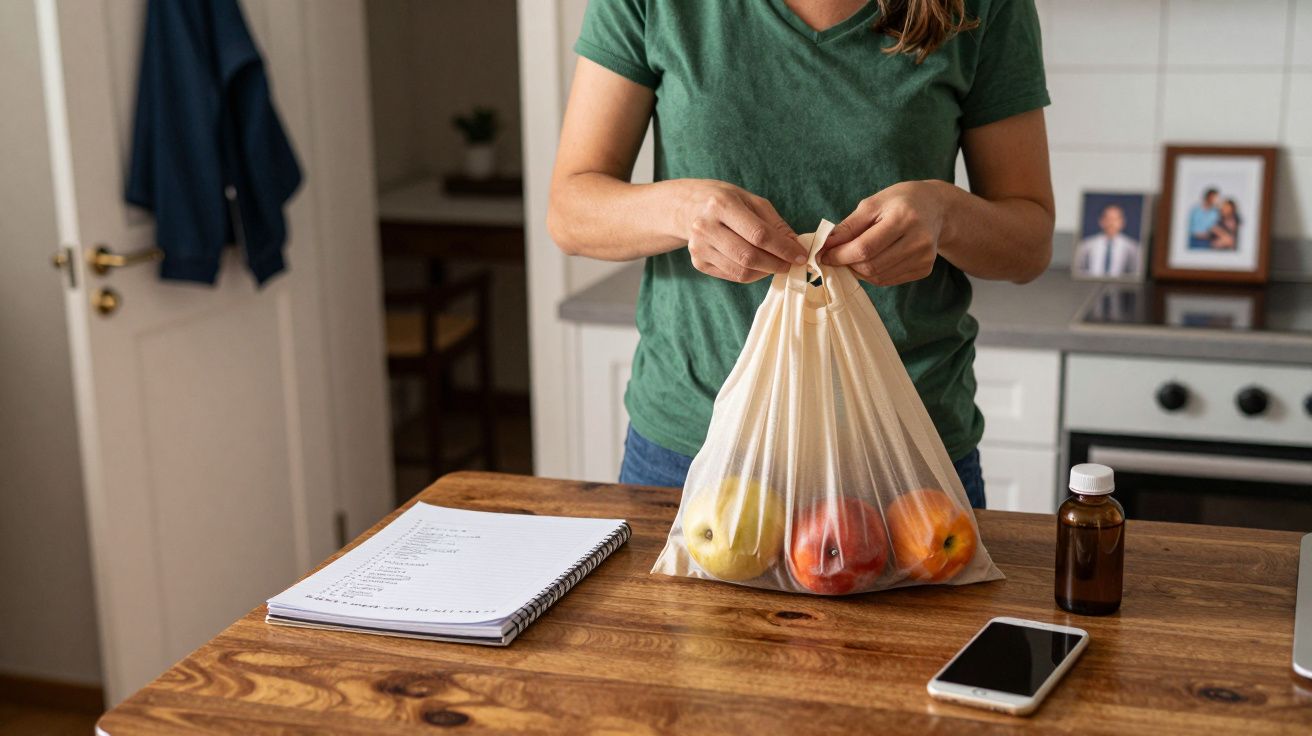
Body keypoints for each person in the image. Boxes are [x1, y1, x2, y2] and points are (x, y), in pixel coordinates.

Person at [548, 0, 1055, 510]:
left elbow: (1030, 243)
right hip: (688, 453)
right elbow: (570, 213)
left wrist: (946, 215)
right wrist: (683, 211)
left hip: (907, 460)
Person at [1074, 203, 1141, 278]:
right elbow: (1078, 270)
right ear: (1101, 221)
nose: (1111, 223)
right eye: (1108, 219)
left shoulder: (1132, 247)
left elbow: (1135, 273)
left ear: (1122, 222)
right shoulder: (1086, 245)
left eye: (1115, 219)